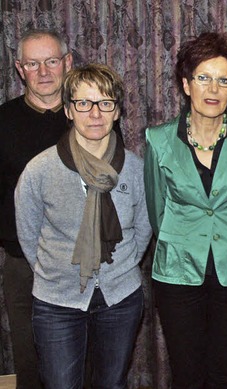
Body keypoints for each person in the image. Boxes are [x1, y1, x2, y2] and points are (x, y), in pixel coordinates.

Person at [14, 63, 151, 388]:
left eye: (105, 103)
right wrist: (58, 270)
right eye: (83, 103)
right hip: (57, 302)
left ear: (117, 111)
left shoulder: (134, 168)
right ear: (68, 110)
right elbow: (27, 232)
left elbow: (144, 228)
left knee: (111, 383)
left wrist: (120, 267)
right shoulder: (40, 169)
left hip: (120, 299)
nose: (95, 113)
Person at [144, 32, 227, 388]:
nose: (213, 89)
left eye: (223, 80)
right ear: (186, 84)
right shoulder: (158, 139)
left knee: (224, 372)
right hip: (178, 273)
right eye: (203, 78)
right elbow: (157, 212)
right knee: (187, 373)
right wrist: (184, 240)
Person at [0, 29, 72, 389]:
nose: (43, 71)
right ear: (19, 68)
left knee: (83, 361)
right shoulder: (3, 121)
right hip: (24, 265)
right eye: (32, 63)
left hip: (82, 263)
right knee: (31, 363)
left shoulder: (91, 116)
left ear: (67, 63)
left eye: (52, 61)